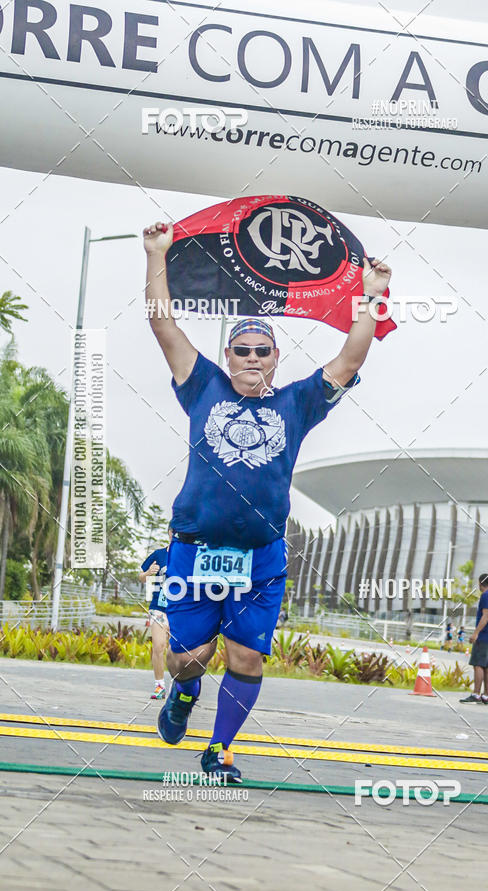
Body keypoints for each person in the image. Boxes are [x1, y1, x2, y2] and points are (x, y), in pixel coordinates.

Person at [143, 220, 390, 782]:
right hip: (196, 552)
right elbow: (164, 326)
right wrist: (156, 254)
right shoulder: (202, 385)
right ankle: (183, 693)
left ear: (276, 357)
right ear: (227, 355)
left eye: (262, 351)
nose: (252, 358)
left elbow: (350, 361)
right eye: (242, 350)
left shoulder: (298, 403)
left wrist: (370, 298)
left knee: (247, 656)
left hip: (260, 555)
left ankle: (220, 750)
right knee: (185, 659)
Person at [139, 529, 172, 699]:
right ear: (169, 533)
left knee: (177, 651)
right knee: (159, 647)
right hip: (159, 607)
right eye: (174, 532)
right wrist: (147, 573)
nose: (176, 535)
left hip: (181, 609)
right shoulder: (159, 555)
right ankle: (159, 686)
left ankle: (180, 688)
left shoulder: (190, 555)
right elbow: (141, 577)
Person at [459, 574, 488, 705]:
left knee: (478, 665)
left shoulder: (485, 596)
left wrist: (476, 633)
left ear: (480, 583)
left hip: (483, 636)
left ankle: (476, 694)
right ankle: (486, 696)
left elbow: (486, 615)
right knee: (487, 666)